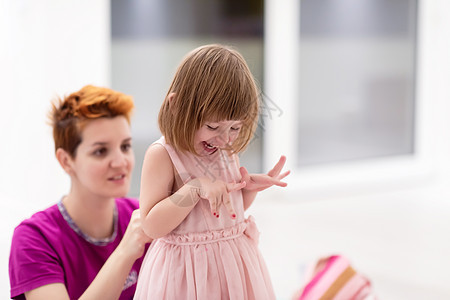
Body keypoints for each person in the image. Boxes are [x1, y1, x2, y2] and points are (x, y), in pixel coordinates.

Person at [134, 44, 290, 300]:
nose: (225, 138)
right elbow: (151, 226)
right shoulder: (163, 155)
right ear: (176, 105)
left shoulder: (225, 149)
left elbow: (226, 213)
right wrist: (194, 189)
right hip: (185, 275)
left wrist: (248, 189)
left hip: (233, 266)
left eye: (235, 128)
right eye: (213, 126)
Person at [9, 85, 152, 299]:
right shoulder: (34, 238)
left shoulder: (145, 215)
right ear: (66, 161)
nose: (121, 162)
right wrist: (125, 252)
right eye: (100, 151)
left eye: (125, 146)